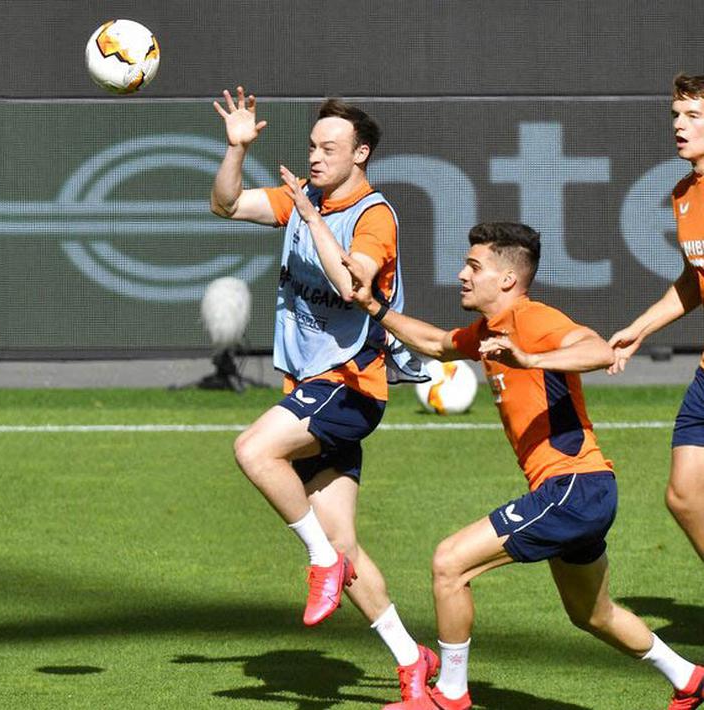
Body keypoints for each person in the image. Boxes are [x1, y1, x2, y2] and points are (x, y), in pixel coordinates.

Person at [344, 222, 704, 709]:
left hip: (571, 487)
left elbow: (597, 349)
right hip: (588, 490)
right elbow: (435, 343)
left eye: (474, 267)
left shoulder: (531, 319)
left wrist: (529, 358)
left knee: (449, 563)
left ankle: (449, 695)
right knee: (591, 614)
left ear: (508, 280)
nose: (461, 275)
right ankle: (688, 678)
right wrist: (376, 309)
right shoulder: (490, 330)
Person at [209, 87, 435, 700]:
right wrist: (235, 150)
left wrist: (312, 220)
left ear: (360, 154)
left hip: (351, 383)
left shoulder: (374, 215)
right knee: (344, 541)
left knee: (254, 451)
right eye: (312, 145)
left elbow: (353, 284)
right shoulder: (301, 197)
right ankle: (412, 660)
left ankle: (322, 563)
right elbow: (226, 206)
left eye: (329, 148)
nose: (315, 156)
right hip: (314, 383)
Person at [609, 72, 704, 562]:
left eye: (693, 115)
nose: (679, 125)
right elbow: (694, 279)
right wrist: (639, 329)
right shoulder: (685, 194)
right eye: (676, 115)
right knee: (684, 495)